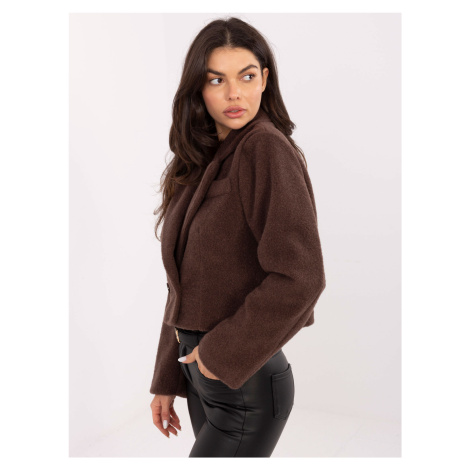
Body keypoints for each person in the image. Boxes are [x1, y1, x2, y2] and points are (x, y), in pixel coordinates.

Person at [149, 17, 326, 457]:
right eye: (217, 80)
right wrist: (169, 378)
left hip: (243, 381)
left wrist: (216, 356)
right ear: (198, 88)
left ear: (264, 79)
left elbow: (301, 277)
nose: (234, 94)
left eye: (246, 77)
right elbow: (182, 285)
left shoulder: (265, 148)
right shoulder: (202, 159)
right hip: (205, 376)